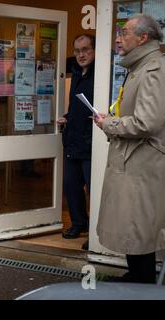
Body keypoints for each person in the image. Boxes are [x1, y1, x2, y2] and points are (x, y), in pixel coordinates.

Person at [93, 14, 165, 284]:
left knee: (138, 228)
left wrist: (109, 124)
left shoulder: (153, 69)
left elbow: (147, 122)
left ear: (143, 37)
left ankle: (141, 284)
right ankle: (136, 277)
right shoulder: (142, 66)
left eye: (124, 32)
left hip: (142, 165)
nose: (118, 38)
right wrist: (110, 119)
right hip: (135, 162)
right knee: (134, 227)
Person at [57, 34, 96, 241]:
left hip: (92, 142)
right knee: (71, 186)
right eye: (77, 50)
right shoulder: (76, 73)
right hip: (73, 140)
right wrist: (67, 117)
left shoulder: (102, 75)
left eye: (86, 50)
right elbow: (76, 107)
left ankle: (96, 235)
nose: (81, 54)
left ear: (95, 50)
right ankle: (79, 224)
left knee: (93, 189)